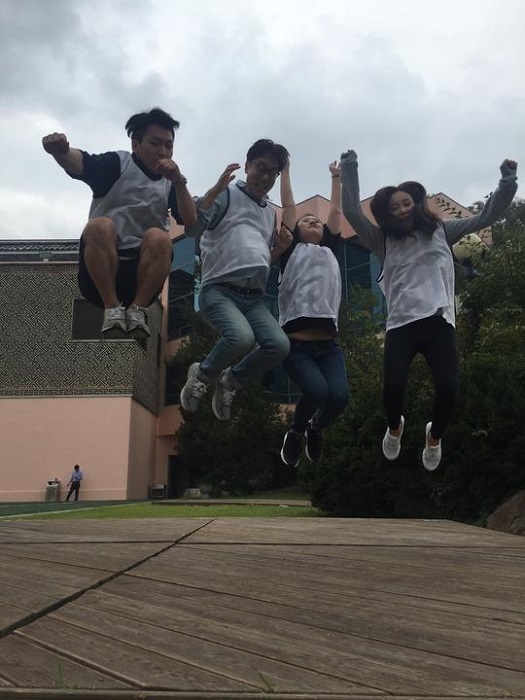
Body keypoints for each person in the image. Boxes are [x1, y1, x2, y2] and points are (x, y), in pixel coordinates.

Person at [340, 150, 518, 470]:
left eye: (406, 203)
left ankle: (434, 438)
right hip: (401, 325)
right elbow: (352, 212)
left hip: (438, 323)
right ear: (387, 215)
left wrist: (508, 181)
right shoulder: (382, 240)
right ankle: (395, 427)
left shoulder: (442, 231)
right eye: (394, 208)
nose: (402, 210)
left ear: (417, 204)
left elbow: (486, 217)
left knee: (448, 390)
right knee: (393, 389)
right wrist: (349, 167)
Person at [42, 107, 198, 339]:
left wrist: (179, 182)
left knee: (159, 237)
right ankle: (112, 309)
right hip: (101, 275)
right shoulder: (119, 164)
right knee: (99, 226)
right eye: (155, 143)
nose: (163, 152)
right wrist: (61, 152)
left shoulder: (170, 181)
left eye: (168, 146)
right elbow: (83, 163)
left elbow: (191, 221)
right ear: (136, 145)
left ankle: (137, 311)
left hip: (140, 278)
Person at [180, 139, 292, 421]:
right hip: (219, 290)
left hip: (252, 298)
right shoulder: (227, 195)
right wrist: (215, 190)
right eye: (261, 168)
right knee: (241, 337)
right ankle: (202, 375)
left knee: (279, 345)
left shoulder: (269, 213)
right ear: (248, 165)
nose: (265, 177)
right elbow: (193, 228)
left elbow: (259, 260)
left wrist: (280, 249)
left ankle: (230, 380)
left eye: (273, 172)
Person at [276, 160, 349, 467]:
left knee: (339, 397)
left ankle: (315, 428)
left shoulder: (330, 248)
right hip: (296, 345)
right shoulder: (290, 250)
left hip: (328, 346)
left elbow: (335, 212)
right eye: (306, 221)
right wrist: (285, 171)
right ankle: (295, 432)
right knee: (317, 391)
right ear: (296, 230)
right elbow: (289, 206)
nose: (313, 222)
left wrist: (336, 177)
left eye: (316, 221)